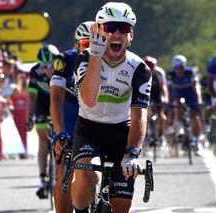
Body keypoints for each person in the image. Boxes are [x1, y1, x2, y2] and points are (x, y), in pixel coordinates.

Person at [69, 2, 152, 212]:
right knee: (86, 179)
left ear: (130, 36)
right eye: (110, 27)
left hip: (121, 131)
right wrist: (96, 56)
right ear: (99, 31)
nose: (116, 33)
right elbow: (88, 100)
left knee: (121, 206)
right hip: (89, 128)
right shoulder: (85, 57)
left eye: (123, 29)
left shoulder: (139, 69)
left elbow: (140, 114)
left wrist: (132, 153)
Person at [50, 21, 93, 213]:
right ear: (76, 45)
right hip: (69, 115)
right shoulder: (65, 60)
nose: (91, 49)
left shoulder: (109, 60)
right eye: (86, 44)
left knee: (91, 172)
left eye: (97, 43)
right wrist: (59, 131)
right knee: (64, 176)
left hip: (94, 119)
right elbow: (56, 97)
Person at [26, 44, 59, 199]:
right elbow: (32, 97)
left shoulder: (62, 67)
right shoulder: (35, 72)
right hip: (42, 103)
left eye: (51, 65)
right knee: (43, 141)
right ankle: (42, 179)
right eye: (44, 66)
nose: (48, 68)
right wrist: (29, 117)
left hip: (58, 101)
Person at [167, 54, 203, 153]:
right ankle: (180, 125)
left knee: (194, 117)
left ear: (184, 66)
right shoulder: (171, 74)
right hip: (178, 93)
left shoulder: (190, 72)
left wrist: (199, 100)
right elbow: (169, 90)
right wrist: (169, 103)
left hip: (190, 93)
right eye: (176, 68)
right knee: (178, 104)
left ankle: (197, 140)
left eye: (181, 67)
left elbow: (196, 87)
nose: (178, 70)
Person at [143, 55, 169, 145]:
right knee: (144, 115)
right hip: (145, 93)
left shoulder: (159, 72)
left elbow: (164, 87)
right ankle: (145, 136)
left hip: (157, 93)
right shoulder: (141, 71)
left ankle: (161, 135)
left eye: (152, 68)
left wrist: (165, 98)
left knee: (161, 114)